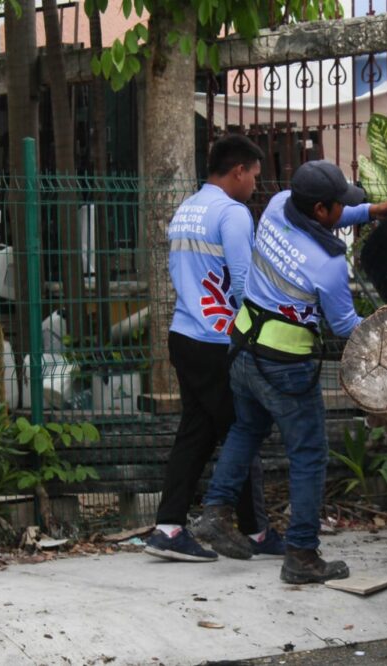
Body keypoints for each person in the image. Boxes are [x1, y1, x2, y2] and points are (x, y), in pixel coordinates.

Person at [197, 160, 387, 584]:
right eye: (339, 207)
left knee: (245, 431)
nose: (343, 211)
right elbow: (345, 327)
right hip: (284, 367)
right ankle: (302, 555)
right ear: (322, 209)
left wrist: (370, 211)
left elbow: (326, 212)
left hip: (243, 347)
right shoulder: (326, 264)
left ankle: (215, 512)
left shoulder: (278, 204)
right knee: (308, 456)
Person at [145, 134, 285, 562]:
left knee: (198, 431)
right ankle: (257, 533)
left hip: (185, 335)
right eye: (254, 177)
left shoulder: (186, 210)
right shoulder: (233, 214)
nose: (256, 187)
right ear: (238, 171)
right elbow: (245, 284)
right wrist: (261, 336)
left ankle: (168, 527)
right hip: (217, 341)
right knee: (243, 432)